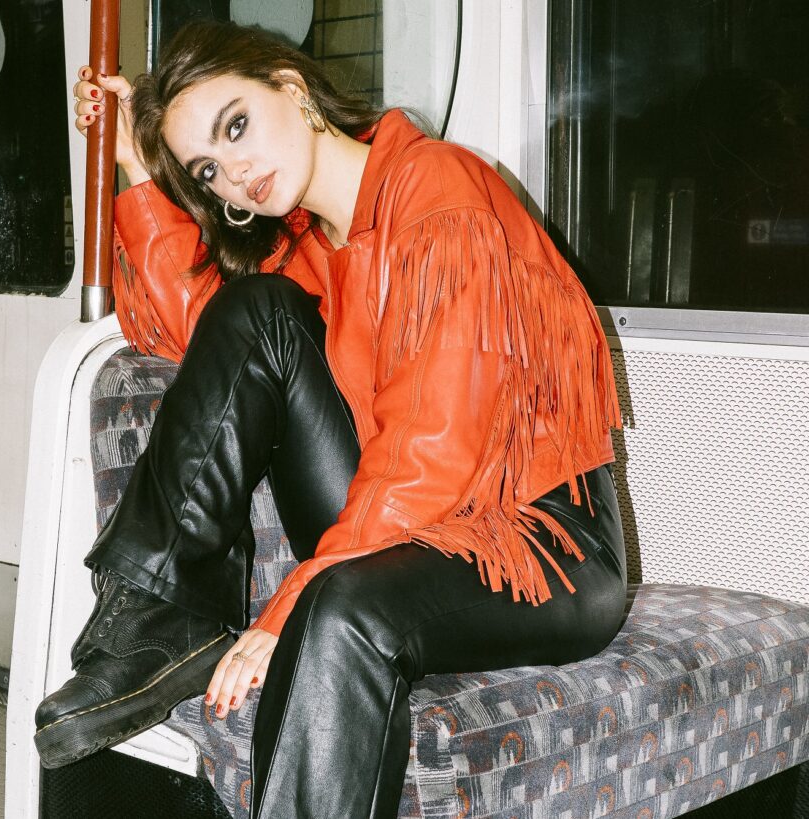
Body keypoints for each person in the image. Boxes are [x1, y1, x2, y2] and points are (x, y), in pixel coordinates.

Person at [34, 20, 627, 818]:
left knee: (339, 611)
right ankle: (157, 614)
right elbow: (200, 336)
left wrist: (294, 599)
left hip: (540, 540)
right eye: (208, 169)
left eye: (235, 125)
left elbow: (433, 450)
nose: (233, 173)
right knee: (255, 309)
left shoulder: (439, 193)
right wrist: (138, 173)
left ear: (291, 87)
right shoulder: (312, 242)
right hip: (424, 528)